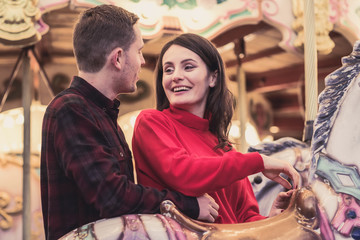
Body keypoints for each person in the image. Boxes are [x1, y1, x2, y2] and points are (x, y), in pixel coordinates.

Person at [40, 6, 219, 240]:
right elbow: (113, 198)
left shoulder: (100, 112)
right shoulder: (71, 109)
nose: (143, 61)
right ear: (118, 57)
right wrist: (189, 205)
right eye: (139, 51)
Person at [132, 33, 300, 224]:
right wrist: (258, 161)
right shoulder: (152, 122)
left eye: (188, 67)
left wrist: (270, 220)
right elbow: (185, 174)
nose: (176, 76)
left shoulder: (225, 148)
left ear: (213, 77)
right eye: (168, 70)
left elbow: (244, 218)